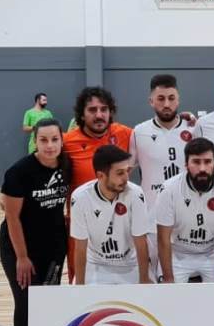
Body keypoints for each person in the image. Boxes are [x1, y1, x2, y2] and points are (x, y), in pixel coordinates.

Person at [0, 118, 70, 326]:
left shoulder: (66, 164)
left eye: (54, 140)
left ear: (62, 140)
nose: (50, 145)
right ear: (35, 141)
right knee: (26, 304)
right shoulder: (19, 172)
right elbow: (12, 217)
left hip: (53, 248)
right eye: (43, 140)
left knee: (48, 305)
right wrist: (22, 258)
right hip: (20, 248)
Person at [62, 86, 133, 281]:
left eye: (104, 109)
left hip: (120, 223)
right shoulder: (67, 143)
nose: (99, 115)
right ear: (82, 115)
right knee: (81, 282)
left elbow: (159, 140)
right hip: (83, 227)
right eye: (92, 110)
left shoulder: (126, 134)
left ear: (110, 112)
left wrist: (186, 122)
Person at [132, 74, 196, 280]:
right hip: (152, 221)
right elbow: (124, 170)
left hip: (188, 219)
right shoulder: (139, 132)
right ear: (151, 101)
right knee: (154, 283)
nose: (166, 104)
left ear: (178, 99)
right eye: (160, 99)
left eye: (171, 98)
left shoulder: (194, 129)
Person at [156, 138, 214, 283]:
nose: (202, 168)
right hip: (178, 252)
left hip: (212, 251)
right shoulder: (168, 189)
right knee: (170, 297)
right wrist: (168, 278)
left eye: (207, 162)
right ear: (186, 165)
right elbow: (163, 238)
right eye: (196, 162)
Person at [69, 145, 151, 285]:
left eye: (127, 171)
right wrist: (80, 287)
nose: (126, 178)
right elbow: (80, 246)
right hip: (96, 263)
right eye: (120, 173)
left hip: (130, 264)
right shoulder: (80, 197)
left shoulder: (136, 193)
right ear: (101, 175)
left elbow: (140, 241)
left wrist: (144, 280)